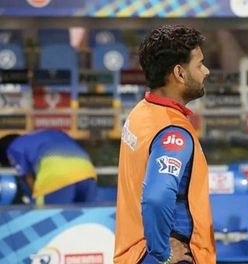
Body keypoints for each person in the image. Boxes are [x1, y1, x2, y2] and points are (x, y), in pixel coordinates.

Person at [114, 25, 215, 264]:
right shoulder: (173, 131)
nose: (206, 71)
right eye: (199, 64)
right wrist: (163, 251)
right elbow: (156, 197)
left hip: (134, 253)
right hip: (165, 255)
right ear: (179, 73)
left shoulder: (141, 112)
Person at [0, 129, 97, 205]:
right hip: (87, 173)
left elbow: (27, 177)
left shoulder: (13, 147)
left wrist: (34, 200)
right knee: (84, 219)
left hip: (57, 177)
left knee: (51, 221)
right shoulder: (50, 134)